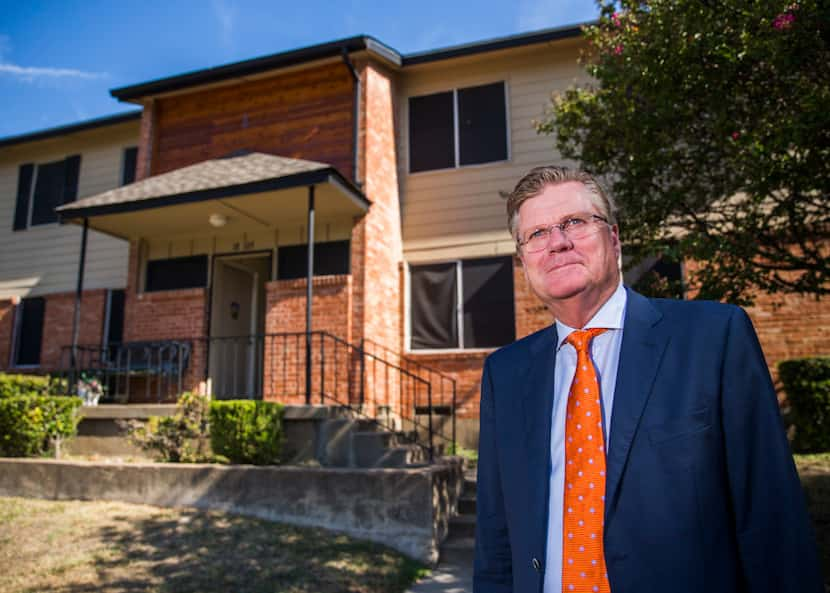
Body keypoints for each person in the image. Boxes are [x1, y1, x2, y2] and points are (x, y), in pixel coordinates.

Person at [473, 166, 823, 593]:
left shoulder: (713, 338)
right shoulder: (504, 373)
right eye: (537, 234)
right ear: (523, 259)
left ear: (615, 238)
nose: (558, 242)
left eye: (575, 223)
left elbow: (772, 520)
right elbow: (495, 539)